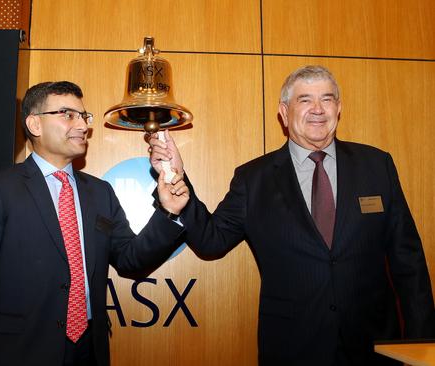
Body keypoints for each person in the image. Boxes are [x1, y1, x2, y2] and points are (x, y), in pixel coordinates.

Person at [149, 65, 435, 365]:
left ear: (339, 108)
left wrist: (423, 351)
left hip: (375, 349)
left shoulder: (377, 165)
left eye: (327, 99)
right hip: (293, 349)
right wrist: (176, 178)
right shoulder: (253, 179)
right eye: (305, 100)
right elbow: (211, 240)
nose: (318, 109)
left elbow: (409, 262)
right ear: (284, 113)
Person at [0, 81, 189, 366]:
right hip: (20, 351)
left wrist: (168, 212)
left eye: (84, 116)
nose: (82, 126)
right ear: (35, 125)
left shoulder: (100, 192)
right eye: (68, 114)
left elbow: (130, 259)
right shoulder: (0, 189)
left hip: (88, 349)